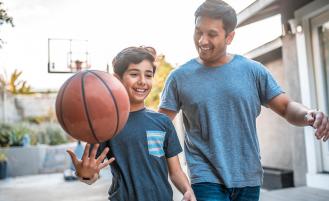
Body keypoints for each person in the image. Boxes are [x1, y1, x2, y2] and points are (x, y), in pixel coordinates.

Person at [158, 0, 329, 200]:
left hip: (248, 177)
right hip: (204, 177)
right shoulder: (179, 77)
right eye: (198, 32)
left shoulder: (253, 71)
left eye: (211, 34)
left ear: (230, 36)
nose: (202, 41)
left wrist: (309, 114)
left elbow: (286, 107)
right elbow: (159, 126)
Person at [67, 46, 196, 201]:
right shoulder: (107, 125)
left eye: (148, 75)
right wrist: (85, 175)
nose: (142, 81)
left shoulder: (162, 122)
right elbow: (92, 175)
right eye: (134, 74)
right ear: (117, 78)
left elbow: (175, 171)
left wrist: (188, 191)